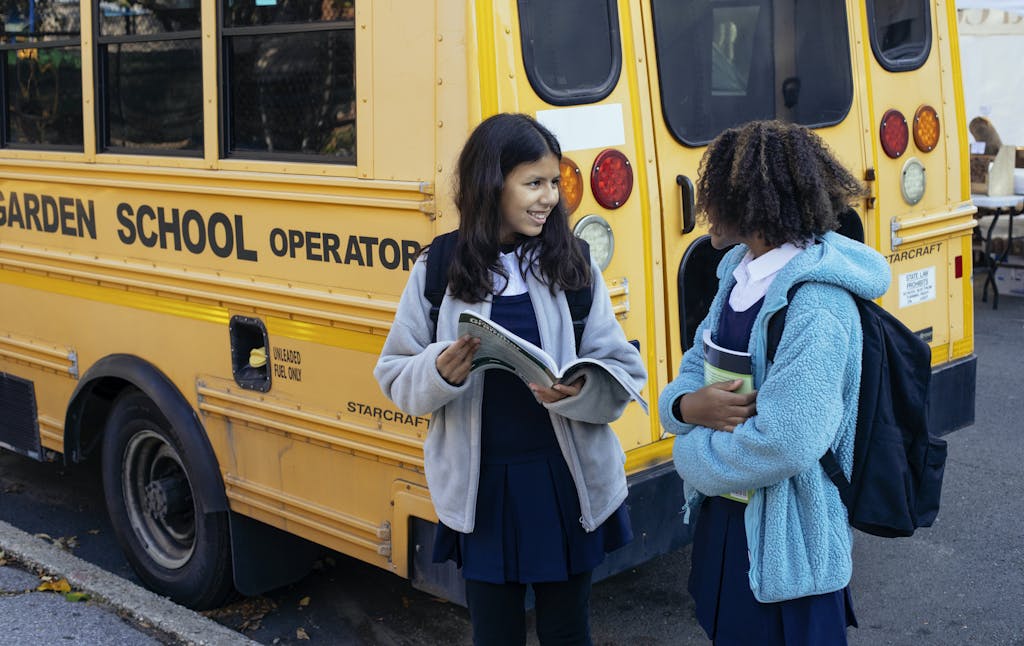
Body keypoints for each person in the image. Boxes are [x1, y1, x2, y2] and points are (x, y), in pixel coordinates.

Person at [374, 113, 646, 646]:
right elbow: (393, 374)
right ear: (491, 184)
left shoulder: (571, 262)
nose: (550, 198)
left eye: (553, 182)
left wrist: (581, 388)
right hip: (482, 490)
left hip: (566, 482)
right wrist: (437, 371)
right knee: (494, 635)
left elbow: (622, 368)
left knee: (569, 632)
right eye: (534, 183)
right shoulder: (440, 266)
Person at [658, 120, 890, 645]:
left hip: (789, 539)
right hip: (729, 522)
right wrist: (686, 408)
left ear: (749, 204)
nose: (703, 207)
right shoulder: (737, 274)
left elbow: (786, 441)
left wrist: (689, 454)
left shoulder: (817, 303)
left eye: (713, 193)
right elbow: (693, 367)